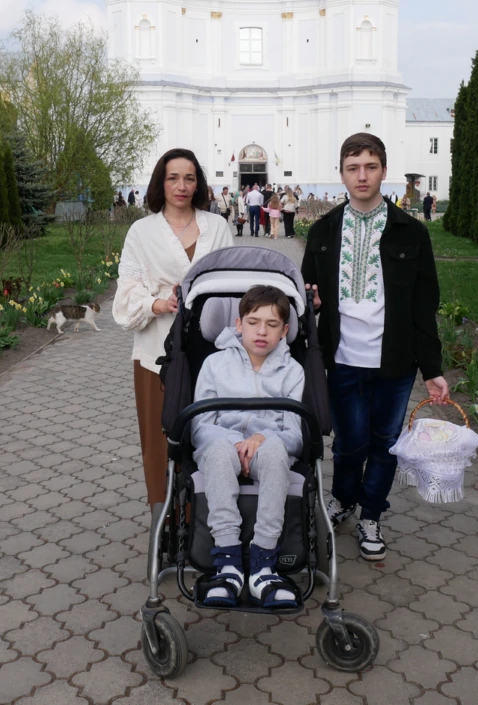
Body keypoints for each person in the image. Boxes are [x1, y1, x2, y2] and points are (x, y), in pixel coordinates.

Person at [301, 133, 448, 561]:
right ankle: (343, 498)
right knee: (349, 443)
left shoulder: (410, 232)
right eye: (353, 168)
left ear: (384, 170)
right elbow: (306, 292)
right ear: (342, 174)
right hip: (342, 358)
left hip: (395, 360)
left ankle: (371, 514)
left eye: (370, 167)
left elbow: (424, 304)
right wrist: (311, 304)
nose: (361, 176)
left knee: (385, 443)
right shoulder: (324, 230)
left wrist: (432, 368)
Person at [113, 148, 235, 524]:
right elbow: (127, 288)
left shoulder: (217, 227)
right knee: (158, 439)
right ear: (160, 183)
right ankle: (164, 515)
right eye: (173, 178)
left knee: (208, 433)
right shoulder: (142, 231)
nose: (181, 186)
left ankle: (205, 517)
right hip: (156, 352)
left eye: (189, 178)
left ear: (198, 184)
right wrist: (155, 303)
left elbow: (232, 283)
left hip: (211, 351)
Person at [191, 285, 305, 609]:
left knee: (276, 451)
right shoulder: (214, 364)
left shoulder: (292, 372)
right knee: (217, 450)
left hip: (267, 449)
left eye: (272, 324)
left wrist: (263, 438)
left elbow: (295, 434)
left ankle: (263, 566)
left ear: (284, 331)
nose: (262, 331)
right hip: (220, 443)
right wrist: (233, 443)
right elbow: (199, 426)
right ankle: (228, 564)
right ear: (239, 324)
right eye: (254, 322)